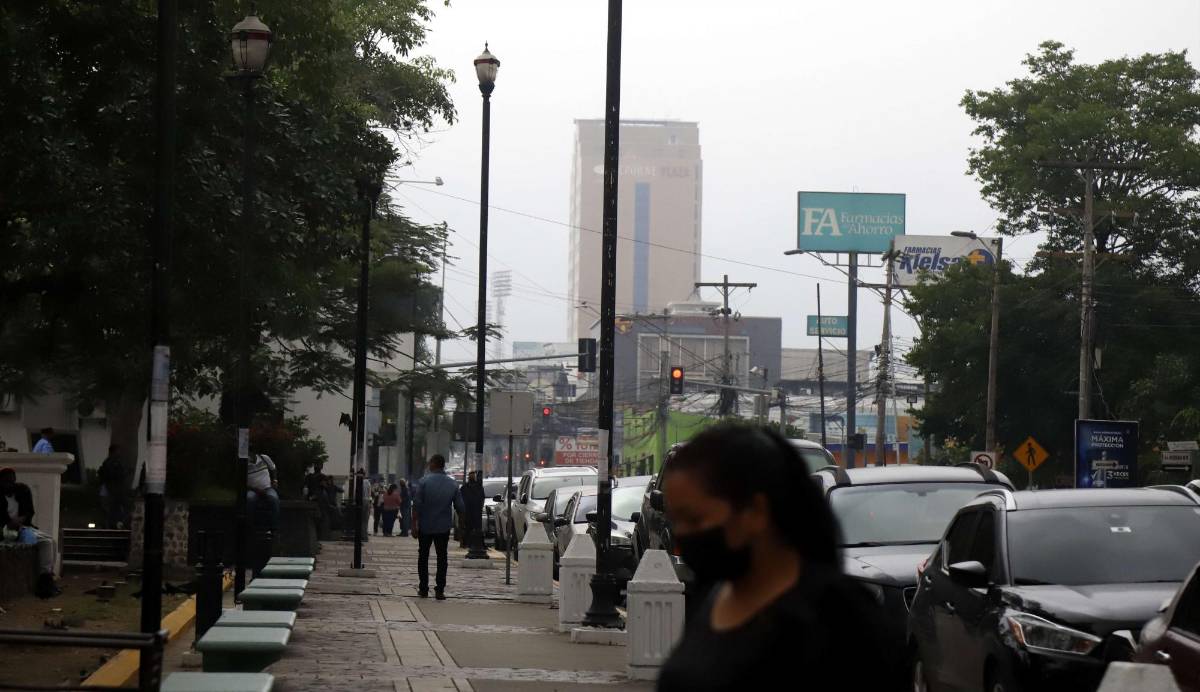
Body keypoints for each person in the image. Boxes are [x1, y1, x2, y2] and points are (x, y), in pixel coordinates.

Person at [655, 423, 902, 691]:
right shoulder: (713, 594)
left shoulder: (838, 617)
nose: (682, 533)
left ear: (755, 511)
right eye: (676, 520)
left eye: (694, 519)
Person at [412, 455, 465, 600]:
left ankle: (423, 588)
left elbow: (416, 505)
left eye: (430, 463)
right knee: (442, 557)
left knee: (423, 557)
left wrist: (414, 525)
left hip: (425, 526)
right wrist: (461, 528)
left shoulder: (424, 482)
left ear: (434, 464)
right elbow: (460, 507)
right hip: (443, 527)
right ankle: (440, 590)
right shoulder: (452, 484)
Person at [1, 467, 58, 598]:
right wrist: (10, 524)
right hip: (5, 531)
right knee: (46, 542)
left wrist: (20, 520)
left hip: (23, 528)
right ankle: (45, 579)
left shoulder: (22, 491)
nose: (9, 484)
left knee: (51, 541)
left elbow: (29, 512)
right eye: (6, 482)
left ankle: (47, 576)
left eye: (11, 481)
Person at [245, 452, 280, 531]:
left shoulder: (264, 458)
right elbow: (242, 480)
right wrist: (256, 490)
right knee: (249, 499)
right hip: (253, 490)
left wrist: (275, 480)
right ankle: (249, 527)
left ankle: (274, 528)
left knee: (274, 499)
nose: (251, 455)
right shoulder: (245, 462)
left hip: (267, 488)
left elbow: (273, 468)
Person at [97, 445, 127, 529]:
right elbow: (109, 476)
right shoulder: (110, 463)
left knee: (112, 509)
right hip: (110, 489)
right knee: (108, 509)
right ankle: (109, 525)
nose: (119, 453)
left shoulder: (115, 462)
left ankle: (111, 525)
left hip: (112, 489)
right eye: (117, 451)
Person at [461, 471, 485, 549]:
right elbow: (461, 499)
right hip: (468, 511)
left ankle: (476, 544)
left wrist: (480, 507)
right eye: (471, 476)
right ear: (469, 477)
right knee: (468, 527)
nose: (472, 477)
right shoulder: (464, 487)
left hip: (476, 511)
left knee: (477, 528)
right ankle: (468, 543)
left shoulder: (479, 487)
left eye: (473, 476)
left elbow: (482, 498)